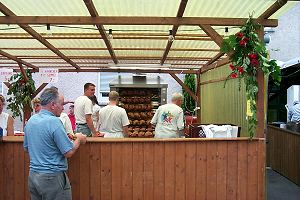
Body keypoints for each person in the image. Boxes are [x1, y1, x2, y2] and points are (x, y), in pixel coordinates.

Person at [23, 88, 87, 200]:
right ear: (53, 105)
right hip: (52, 178)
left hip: (33, 176)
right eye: (61, 104)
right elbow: (69, 152)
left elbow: (27, 148)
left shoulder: (31, 121)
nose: (63, 108)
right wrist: (79, 139)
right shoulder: (54, 122)